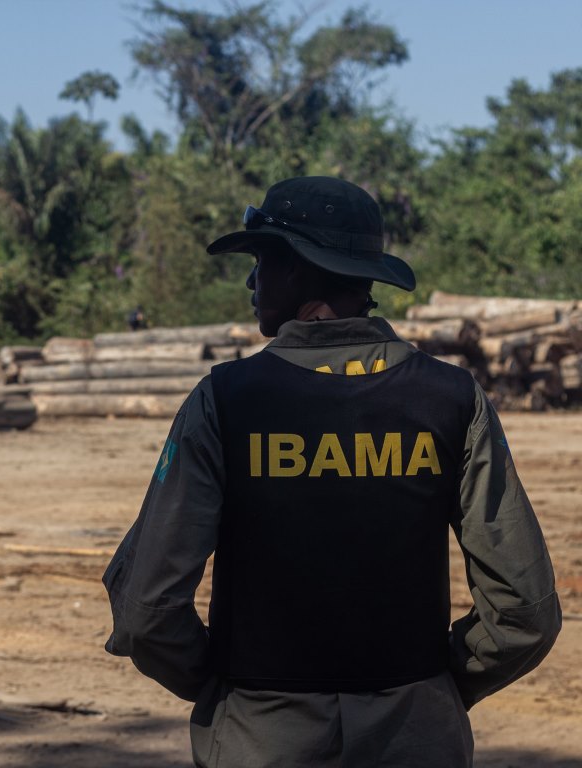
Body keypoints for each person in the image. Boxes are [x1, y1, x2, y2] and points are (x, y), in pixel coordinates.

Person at [103, 176, 562, 767]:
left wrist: (225, 687)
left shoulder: (225, 401)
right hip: (416, 731)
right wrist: (437, 686)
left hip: (262, 734)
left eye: (262, 259)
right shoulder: (452, 399)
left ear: (298, 269)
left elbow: (146, 612)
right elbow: (526, 610)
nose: (251, 280)